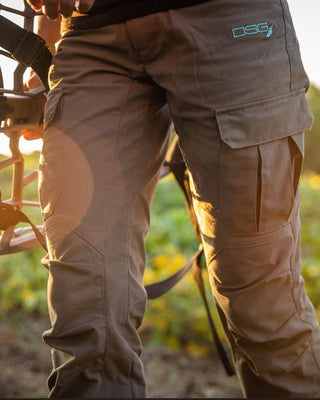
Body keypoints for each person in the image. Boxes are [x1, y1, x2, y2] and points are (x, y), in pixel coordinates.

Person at [27, 0, 320, 397]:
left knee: (264, 309)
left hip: (227, 21)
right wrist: (45, 49)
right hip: (94, 36)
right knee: (86, 317)